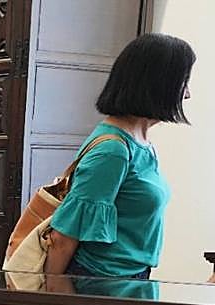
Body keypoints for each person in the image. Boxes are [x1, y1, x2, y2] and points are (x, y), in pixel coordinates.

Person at [45, 33, 195, 282]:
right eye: (182, 82)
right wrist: (54, 303)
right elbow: (63, 239)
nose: (187, 94)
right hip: (99, 283)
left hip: (128, 278)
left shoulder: (141, 143)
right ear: (159, 84)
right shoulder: (113, 151)